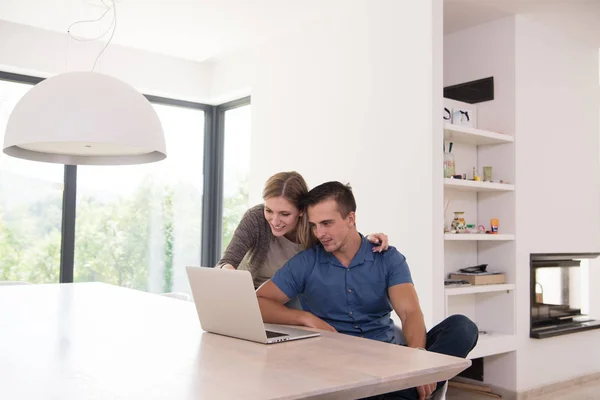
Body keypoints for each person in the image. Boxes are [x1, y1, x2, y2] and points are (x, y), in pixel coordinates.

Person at [256, 181, 478, 400]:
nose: (319, 233)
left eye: (326, 223)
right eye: (314, 225)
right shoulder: (306, 263)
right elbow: (259, 302)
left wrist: (419, 363)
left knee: (462, 327)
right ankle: (405, 393)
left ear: (350, 219)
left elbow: (410, 312)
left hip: (391, 359)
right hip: (337, 368)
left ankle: (407, 387)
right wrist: (304, 318)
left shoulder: (387, 258)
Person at [216, 171, 389, 289]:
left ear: (301, 211)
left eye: (284, 213)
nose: (274, 221)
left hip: (292, 299)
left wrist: (366, 240)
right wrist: (232, 277)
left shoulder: (314, 227)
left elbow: (340, 238)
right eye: (269, 210)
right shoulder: (255, 218)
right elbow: (225, 262)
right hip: (251, 296)